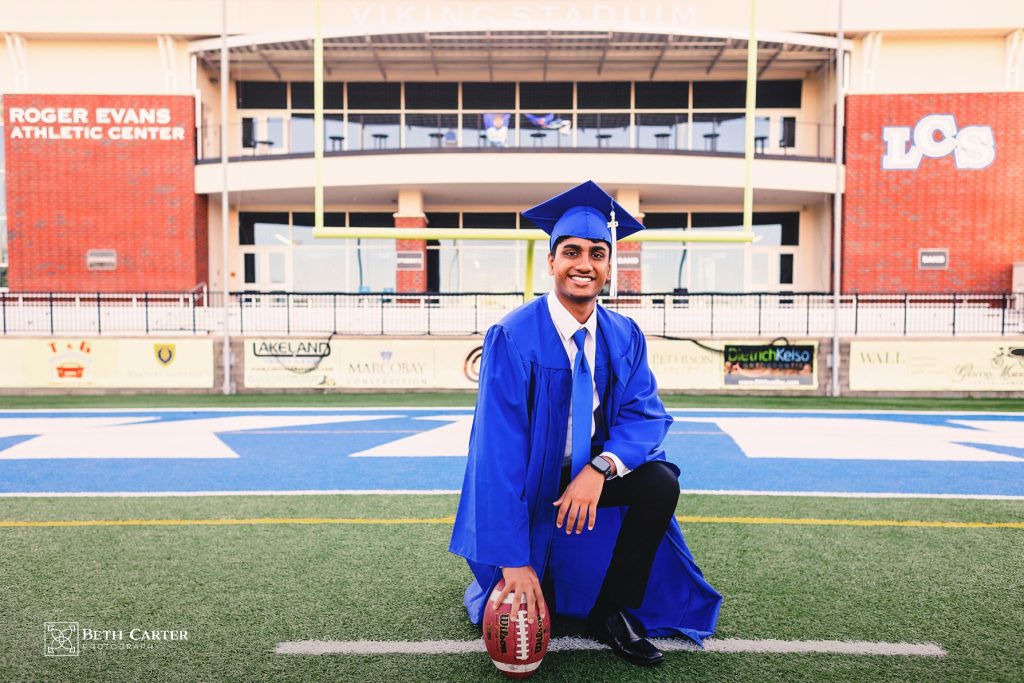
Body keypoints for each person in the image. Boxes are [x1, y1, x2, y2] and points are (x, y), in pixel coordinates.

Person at [449, 180, 722, 666]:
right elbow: (498, 450)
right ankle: (531, 567)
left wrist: (600, 469)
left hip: (588, 472)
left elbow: (645, 414)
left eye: (598, 253)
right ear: (551, 261)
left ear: (609, 267)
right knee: (539, 601)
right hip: (534, 480)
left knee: (658, 483)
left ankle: (612, 610)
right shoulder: (513, 337)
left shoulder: (624, 334)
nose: (584, 264)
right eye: (571, 251)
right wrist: (513, 559)